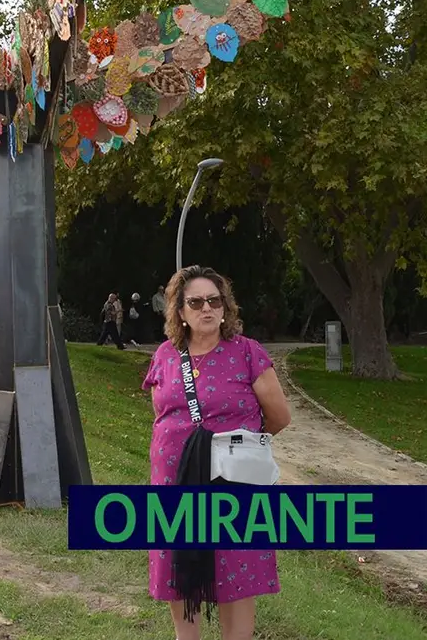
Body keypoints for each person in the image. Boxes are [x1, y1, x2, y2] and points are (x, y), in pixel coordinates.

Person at [142, 265, 291, 640]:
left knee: (234, 568)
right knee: (179, 566)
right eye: (195, 302)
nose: (205, 308)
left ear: (226, 307)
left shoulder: (248, 353)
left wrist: (236, 448)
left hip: (233, 486)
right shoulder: (165, 355)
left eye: (214, 300)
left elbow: (278, 416)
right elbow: (162, 411)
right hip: (174, 484)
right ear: (179, 311)